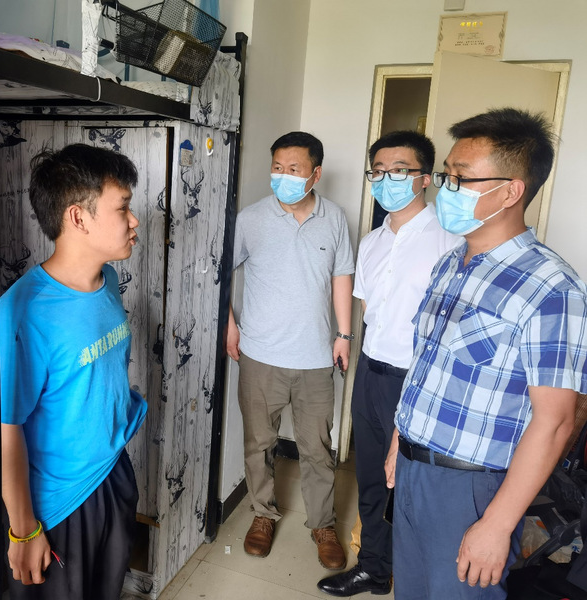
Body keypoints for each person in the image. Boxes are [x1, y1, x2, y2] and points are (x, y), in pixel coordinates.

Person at [383, 108, 587, 599]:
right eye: (446, 175)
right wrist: (399, 440)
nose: (445, 189)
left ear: (511, 191)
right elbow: (428, 366)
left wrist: (497, 524)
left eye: (461, 178)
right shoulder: (451, 263)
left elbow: (556, 421)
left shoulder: (552, 288)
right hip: (413, 468)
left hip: (472, 491)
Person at [0, 144, 147, 599]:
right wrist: (24, 530)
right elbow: (7, 430)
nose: (134, 220)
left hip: (112, 472)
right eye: (122, 208)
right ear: (78, 217)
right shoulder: (22, 313)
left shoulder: (109, 282)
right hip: (61, 504)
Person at [318, 131, 461, 596]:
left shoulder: (452, 241)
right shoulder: (372, 241)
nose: (385, 180)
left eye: (398, 171)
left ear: (425, 178)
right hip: (371, 371)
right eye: (377, 172)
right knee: (371, 479)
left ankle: (419, 579)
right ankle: (375, 570)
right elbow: (368, 311)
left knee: (413, 484)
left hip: (419, 379)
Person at [226, 131, 355, 569]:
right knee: (258, 443)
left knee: (317, 448)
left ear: (315, 174)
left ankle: (322, 525)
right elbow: (222, 273)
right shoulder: (251, 219)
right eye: (277, 168)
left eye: (294, 169)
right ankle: (263, 515)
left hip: (315, 358)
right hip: (260, 355)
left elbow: (341, 276)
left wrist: (344, 334)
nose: (283, 176)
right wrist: (229, 325)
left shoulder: (334, 218)